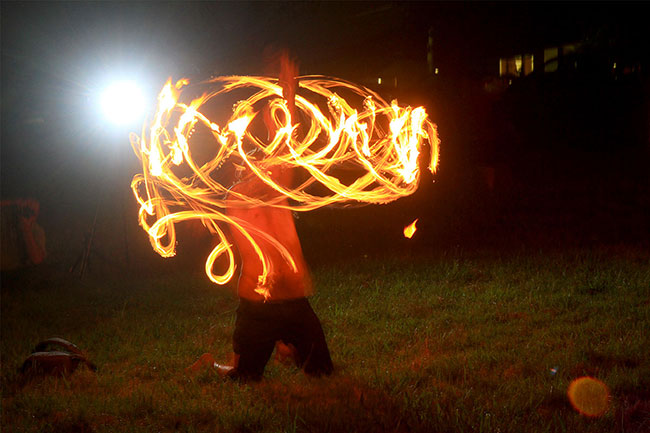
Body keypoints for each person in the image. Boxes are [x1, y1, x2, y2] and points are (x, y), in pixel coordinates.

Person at [188, 49, 333, 381]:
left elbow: (285, 152)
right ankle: (213, 361)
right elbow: (281, 157)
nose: (256, 163)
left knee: (322, 372)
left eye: (258, 159)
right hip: (258, 306)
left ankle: (286, 345)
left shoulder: (276, 186)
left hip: (296, 300)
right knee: (243, 378)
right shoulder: (237, 199)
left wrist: (286, 104)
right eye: (247, 163)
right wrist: (287, 103)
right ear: (237, 173)